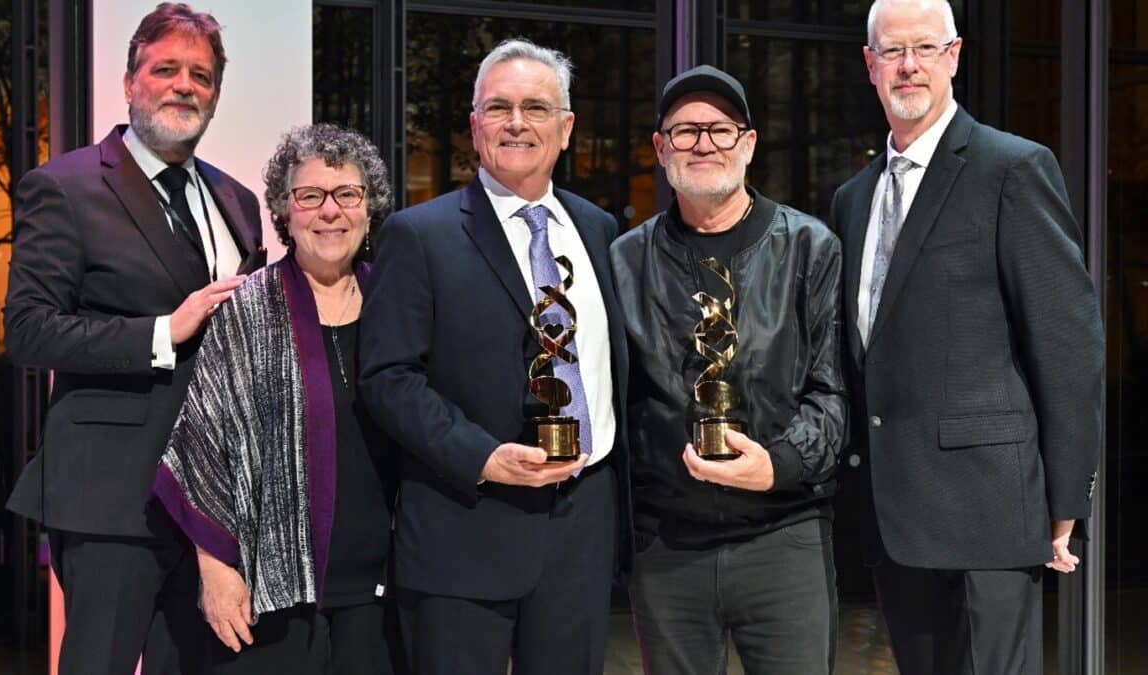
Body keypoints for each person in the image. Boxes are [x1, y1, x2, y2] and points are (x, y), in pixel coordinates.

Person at [829, 1, 1105, 672]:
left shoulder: (1011, 168)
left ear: (954, 56)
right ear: (870, 66)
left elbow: (1068, 344)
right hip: (895, 518)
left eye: (925, 48)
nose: (909, 66)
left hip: (990, 513)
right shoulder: (853, 198)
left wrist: (1066, 499)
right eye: (892, 52)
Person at [3, 4, 264, 672]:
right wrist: (161, 332)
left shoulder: (236, 200)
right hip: (112, 496)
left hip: (208, 505)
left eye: (201, 76)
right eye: (166, 69)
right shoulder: (65, 187)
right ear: (129, 82)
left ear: (215, 94)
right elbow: (30, 330)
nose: (184, 85)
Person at [358, 38, 630, 675]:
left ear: (565, 129)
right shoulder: (417, 234)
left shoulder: (599, 230)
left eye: (535, 108)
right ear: (475, 127)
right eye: (498, 108)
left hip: (581, 528)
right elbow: (388, 378)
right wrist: (481, 456)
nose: (516, 123)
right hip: (465, 526)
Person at [609, 65, 846, 675]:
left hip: (784, 535)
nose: (704, 144)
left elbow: (832, 391)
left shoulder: (809, 247)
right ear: (660, 148)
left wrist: (779, 466)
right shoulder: (623, 260)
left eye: (720, 129)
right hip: (667, 547)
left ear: (748, 143)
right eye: (685, 132)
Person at [152, 123, 401, 674]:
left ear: (369, 207)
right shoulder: (247, 310)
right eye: (309, 196)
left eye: (347, 195)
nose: (329, 211)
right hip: (272, 593)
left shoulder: (399, 302)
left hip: (386, 591)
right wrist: (216, 573)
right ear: (284, 212)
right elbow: (203, 448)